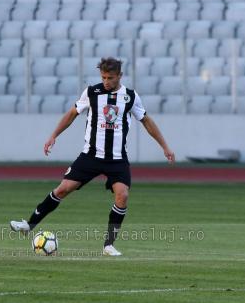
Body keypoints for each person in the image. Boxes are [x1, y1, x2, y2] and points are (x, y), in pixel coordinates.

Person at [10, 57, 175, 256]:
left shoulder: (130, 97)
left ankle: (108, 245)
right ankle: (29, 225)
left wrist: (165, 146)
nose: (106, 81)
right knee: (62, 189)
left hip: (117, 159)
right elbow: (72, 114)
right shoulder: (91, 92)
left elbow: (146, 121)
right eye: (103, 77)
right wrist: (53, 135)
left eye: (111, 77)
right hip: (90, 155)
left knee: (122, 195)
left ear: (120, 76)